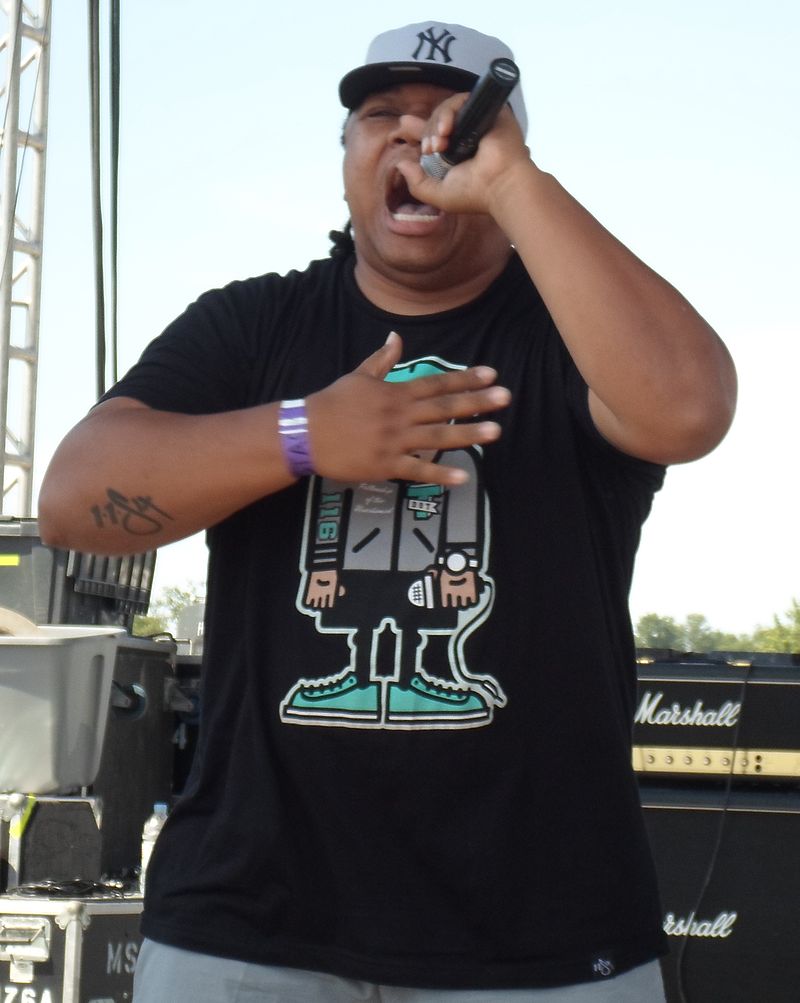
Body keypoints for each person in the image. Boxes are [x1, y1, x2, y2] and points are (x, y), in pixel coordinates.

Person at [38, 20, 736, 1003]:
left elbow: (687, 408)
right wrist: (300, 435)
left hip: (539, 935)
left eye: (448, 119)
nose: (414, 138)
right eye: (379, 117)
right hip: (249, 927)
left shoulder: (572, 334)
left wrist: (514, 184)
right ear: (344, 163)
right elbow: (72, 500)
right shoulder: (254, 324)